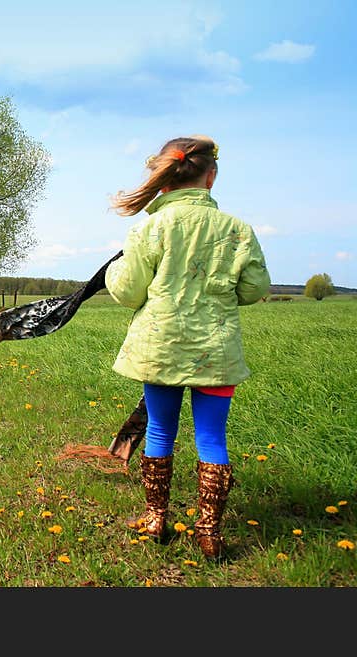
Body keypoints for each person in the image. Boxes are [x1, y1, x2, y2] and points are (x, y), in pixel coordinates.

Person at [104, 135, 270, 561]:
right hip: (216, 351)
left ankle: (156, 518)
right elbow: (254, 289)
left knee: (161, 431)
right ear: (210, 177)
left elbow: (127, 291)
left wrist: (114, 271)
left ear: (164, 180)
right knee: (213, 437)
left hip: (161, 349)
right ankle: (209, 533)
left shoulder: (150, 227)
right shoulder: (238, 231)